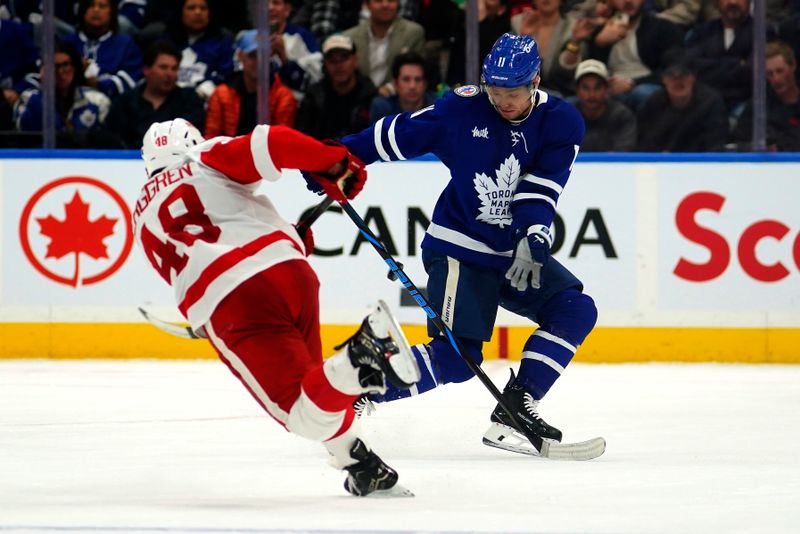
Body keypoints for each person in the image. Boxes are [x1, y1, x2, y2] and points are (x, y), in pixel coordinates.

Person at [338, 33, 598, 455]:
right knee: (456, 359)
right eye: (495, 90)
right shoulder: (462, 109)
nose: (504, 101)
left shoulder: (561, 121)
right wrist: (335, 159)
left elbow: (541, 189)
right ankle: (356, 394)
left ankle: (517, 404)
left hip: (513, 251)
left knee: (575, 309)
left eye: (513, 91)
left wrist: (533, 237)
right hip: (460, 248)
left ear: (535, 81)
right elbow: (398, 135)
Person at [134, 118, 421, 496]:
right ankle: (361, 464)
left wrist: (332, 163)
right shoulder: (205, 157)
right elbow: (272, 142)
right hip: (291, 274)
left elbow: (200, 253)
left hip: (233, 302)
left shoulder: (141, 213)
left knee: (304, 415)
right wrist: (328, 168)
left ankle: (361, 353)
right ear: (191, 140)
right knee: (319, 388)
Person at [584, 0, 683, 111]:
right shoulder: (599, 32)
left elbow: (672, 68)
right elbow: (588, 72)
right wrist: (600, 44)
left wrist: (632, 83)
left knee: (642, 93)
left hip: (647, 85)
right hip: (609, 89)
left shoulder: (662, 28)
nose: (628, 1)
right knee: (570, 104)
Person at [105, 41, 205, 148]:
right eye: (163, 67)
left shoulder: (189, 100)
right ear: (146, 70)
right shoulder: (124, 103)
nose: (169, 74)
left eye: (174, 68)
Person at [204, 30, 296, 136]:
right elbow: (210, 139)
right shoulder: (221, 94)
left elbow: (282, 139)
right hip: (230, 151)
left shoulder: (282, 96)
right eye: (252, 55)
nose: (259, 62)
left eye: (264, 56)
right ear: (240, 56)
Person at [636, 49, 728, 152]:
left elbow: (715, 145)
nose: (678, 81)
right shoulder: (653, 103)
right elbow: (643, 142)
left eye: (683, 75)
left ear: (693, 77)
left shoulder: (711, 102)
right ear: (663, 79)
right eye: (671, 76)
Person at [14, 41, 111, 134]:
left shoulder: (97, 101)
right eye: (54, 66)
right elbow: (23, 133)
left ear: (75, 67)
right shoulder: (30, 98)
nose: (60, 72)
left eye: (65, 65)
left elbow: (105, 143)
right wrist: (45, 90)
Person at [295, 34, 376, 139]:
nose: (338, 66)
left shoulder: (369, 95)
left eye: (344, 58)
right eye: (332, 60)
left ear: (355, 60)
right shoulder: (313, 97)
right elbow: (302, 137)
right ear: (325, 64)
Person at [62, 0, 143, 99]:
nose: (96, 10)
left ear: (111, 13)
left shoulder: (125, 44)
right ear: (83, 11)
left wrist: (98, 84)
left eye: (102, 6)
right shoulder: (67, 43)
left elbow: (131, 80)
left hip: (113, 106)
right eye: (91, 5)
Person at [343, 0, 425, 96]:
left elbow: (418, 71)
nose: (385, 5)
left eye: (391, 0)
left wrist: (389, 89)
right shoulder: (350, 36)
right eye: (378, 1)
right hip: (359, 98)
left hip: (398, 99)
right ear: (367, 5)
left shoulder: (413, 33)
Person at [733, 40, 800, 152]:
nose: (776, 79)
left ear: (793, 65)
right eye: (769, 74)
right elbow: (737, 142)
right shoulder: (758, 105)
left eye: (780, 71)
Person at [163, 0, 235, 101]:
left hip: (206, 99)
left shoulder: (222, 42)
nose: (198, 12)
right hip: (167, 97)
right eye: (191, 8)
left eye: (203, 8)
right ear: (181, 12)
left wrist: (205, 89)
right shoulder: (166, 41)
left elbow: (227, 74)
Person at [573, 59, 637, 151]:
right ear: (577, 90)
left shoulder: (622, 116)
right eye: (585, 88)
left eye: (597, 88)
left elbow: (623, 155)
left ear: (606, 89)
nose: (592, 95)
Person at [369, 52, 437, 124]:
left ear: (425, 84)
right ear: (395, 84)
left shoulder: (438, 107)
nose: (412, 86)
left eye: (418, 80)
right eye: (406, 79)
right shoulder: (382, 108)